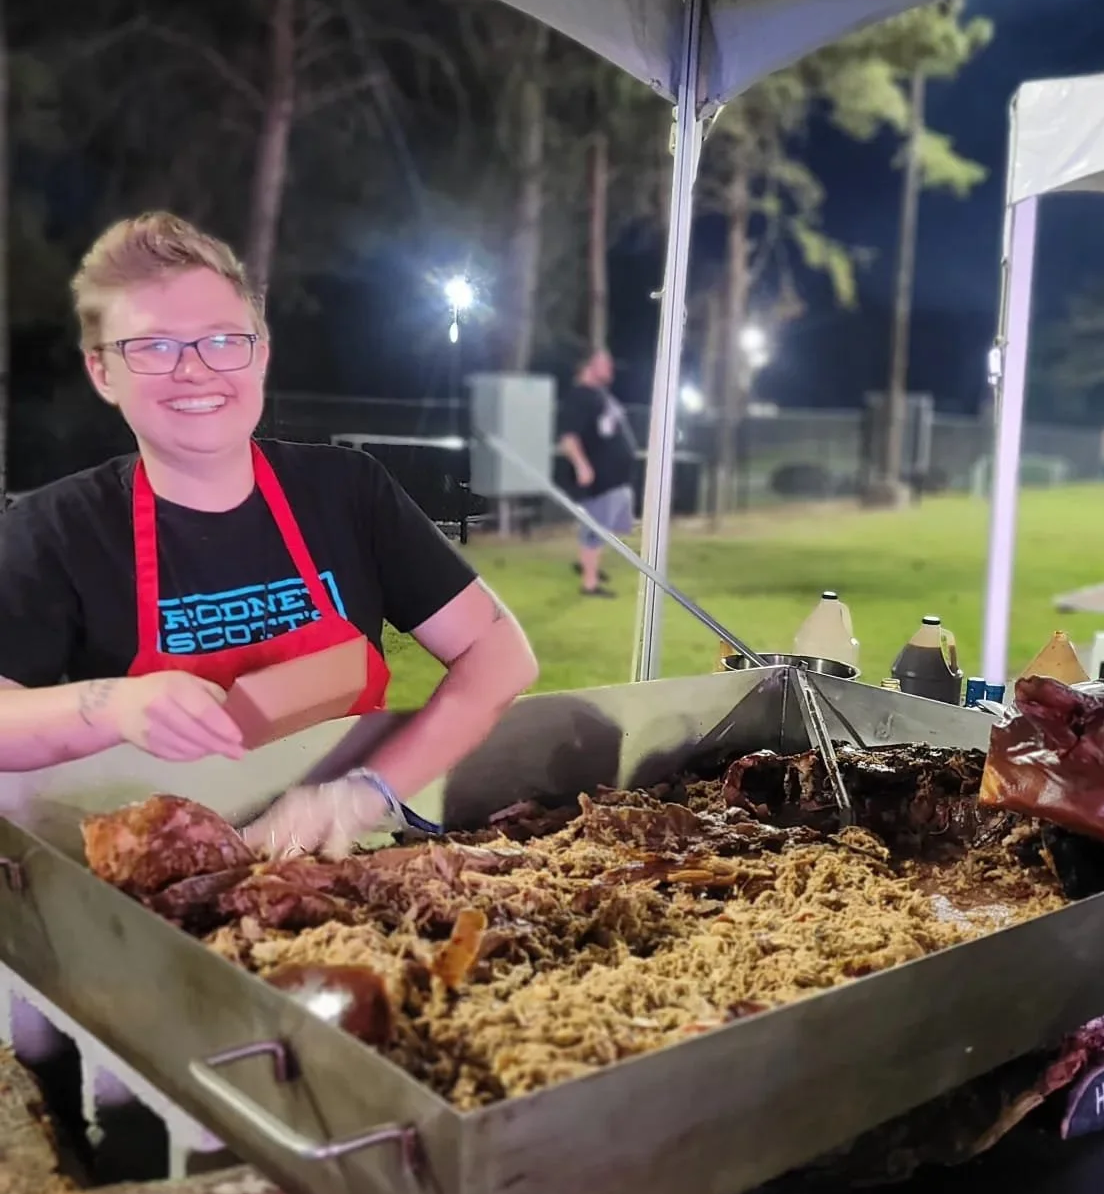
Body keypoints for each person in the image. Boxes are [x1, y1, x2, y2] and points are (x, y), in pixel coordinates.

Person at [0, 211, 538, 856]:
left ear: (261, 355)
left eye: (224, 339)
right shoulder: (55, 530)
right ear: (103, 373)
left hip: (344, 853)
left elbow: (498, 652)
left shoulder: (346, 491)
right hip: (155, 873)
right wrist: (113, 704)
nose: (195, 370)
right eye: (153, 345)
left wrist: (366, 793)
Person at [555, 348, 638, 598]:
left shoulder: (599, 394)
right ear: (588, 366)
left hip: (616, 477)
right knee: (596, 529)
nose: (611, 367)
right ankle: (589, 584)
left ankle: (588, 564)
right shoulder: (579, 397)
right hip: (600, 478)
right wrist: (582, 466)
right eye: (605, 363)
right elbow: (568, 438)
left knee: (609, 527)